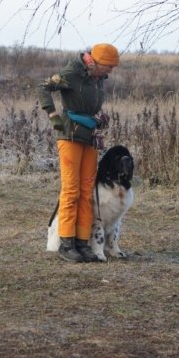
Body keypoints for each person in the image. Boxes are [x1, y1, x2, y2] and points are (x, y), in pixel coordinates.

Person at [38, 43, 120, 262]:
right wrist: (53, 115)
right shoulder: (72, 72)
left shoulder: (97, 78)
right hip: (69, 136)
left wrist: (99, 115)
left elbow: (89, 103)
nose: (110, 72)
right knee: (71, 190)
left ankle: (83, 243)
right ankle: (66, 242)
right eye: (109, 67)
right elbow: (43, 87)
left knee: (87, 191)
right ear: (98, 61)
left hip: (90, 137)